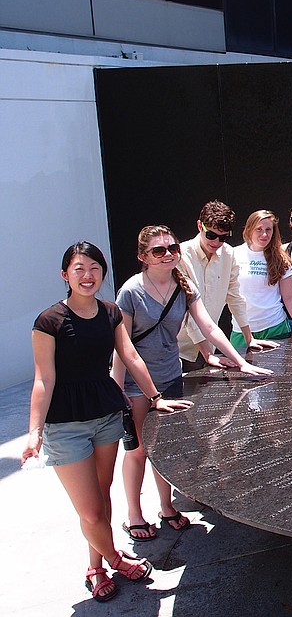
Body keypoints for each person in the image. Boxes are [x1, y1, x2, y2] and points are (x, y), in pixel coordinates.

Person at [22, 242, 190, 602]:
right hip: (65, 424)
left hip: (104, 414)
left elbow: (129, 355)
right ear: (65, 274)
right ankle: (116, 558)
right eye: (79, 268)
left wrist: (156, 397)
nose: (88, 276)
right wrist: (35, 432)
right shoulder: (49, 320)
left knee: (102, 497)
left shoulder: (110, 311)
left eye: (95, 268)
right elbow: (43, 379)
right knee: (91, 510)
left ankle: (96, 566)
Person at [113, 226, 272, 544]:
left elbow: (209, 327)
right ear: (143, 256)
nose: (168, 254)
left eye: (172, 248)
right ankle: (134, 514)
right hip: (135, 383)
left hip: (170, 375)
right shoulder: (131, 292)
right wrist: (118, 390)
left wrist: (241, 363)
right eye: (159, 251)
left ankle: (166, 507)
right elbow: (124, 348)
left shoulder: (182, 286)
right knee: (139, 451)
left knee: (163, 448)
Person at [177, 200, 275, 372]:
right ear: (200, 226)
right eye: (211, 235)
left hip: (211, 346)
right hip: (179, 349)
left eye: (223, 237)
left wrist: (249, 338)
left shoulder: (228, 254)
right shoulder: (180, 256)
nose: (216, 242)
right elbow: (188, 312)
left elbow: (235, 297)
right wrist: (207, 354)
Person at [231, 211, 292, 348]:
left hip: (275, 328)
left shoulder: (280, 258)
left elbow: (290, 297)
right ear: (249, 229)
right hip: (241, 330)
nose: (264, 234)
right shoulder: (233, 254)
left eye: (268, 229)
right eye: (259, 229)